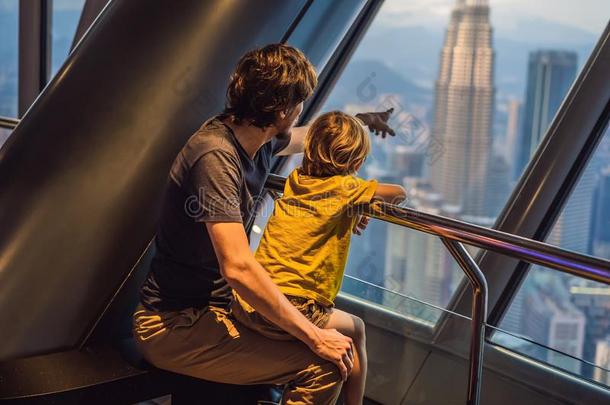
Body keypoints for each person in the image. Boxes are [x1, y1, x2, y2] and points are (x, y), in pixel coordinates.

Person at [132, 43, 395, 405]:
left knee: (339, 344)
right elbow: (238, 267)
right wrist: (314, 337)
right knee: (327, 365)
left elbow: (307, 136)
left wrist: (363, 120)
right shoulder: (216, 157)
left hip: (219, 308)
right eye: (300, 102)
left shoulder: (259, 140)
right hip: (176, 324)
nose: (301, 110)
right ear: (284, 110)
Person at [231, 111, 406, 405]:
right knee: (356, 332)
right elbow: (397, 193)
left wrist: (356, 208)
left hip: (251, 299)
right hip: (296, 307)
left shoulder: (296, 179)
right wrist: (361, 204)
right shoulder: (346, 189)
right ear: (357, 163)